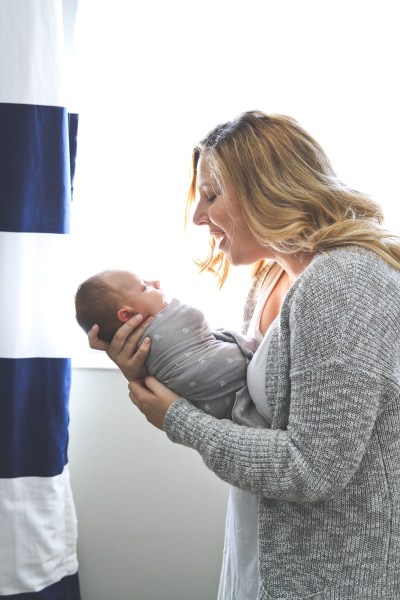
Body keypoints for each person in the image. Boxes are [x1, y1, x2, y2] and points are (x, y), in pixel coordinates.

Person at [88, 111, 400, 599]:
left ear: (267, 190)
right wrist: (145, 365)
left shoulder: (342, 283)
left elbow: (312, 469)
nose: (198, 216)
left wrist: (176, 420)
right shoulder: (272, 276)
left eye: (211, 196)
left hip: (334, 577)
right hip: (265, 552)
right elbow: (237, 402)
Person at [75, 269, 269, 426]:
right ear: (127, 315)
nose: (156, 282)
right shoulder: (146, 346)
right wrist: (136, 376)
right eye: (145, 287)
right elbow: (194, 318)